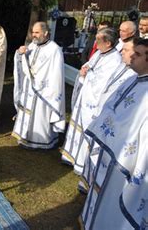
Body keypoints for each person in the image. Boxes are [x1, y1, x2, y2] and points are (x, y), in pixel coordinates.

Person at [79, 38, 148, 230]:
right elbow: (110, 106)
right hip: (110, 149)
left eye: (138, 54)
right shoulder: (132, 79)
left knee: (112, 204)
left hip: (124, 161)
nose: (132, 56)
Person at [79, 37, 138, 193]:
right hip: (105, 118)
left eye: (125, 50)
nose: (121, 52)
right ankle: (89, 182)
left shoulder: (133, 75)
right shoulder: (122, 67)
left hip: (116, 128)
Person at [61, 27, 123, 174]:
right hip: (85, 97)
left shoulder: (114, 60)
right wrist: (85, 72)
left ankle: (82, 163)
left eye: (98, 39)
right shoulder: (100, 54)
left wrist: (86, 75)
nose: (95, 42)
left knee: (87, 132)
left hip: (93, 104)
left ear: (107, 43)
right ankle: (72, 156)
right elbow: (89, 66)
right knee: (78, 129)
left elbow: (102, 85)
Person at [12, 22, 65, 150]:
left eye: (37, 32)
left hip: (44, 89)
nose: (33, 35)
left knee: (40, 116)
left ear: (45, 33)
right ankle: (25, 136)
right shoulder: (32, 45)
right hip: (30, 87)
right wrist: (20, 53)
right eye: (33, 32)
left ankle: (40, 140)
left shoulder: (55, 50)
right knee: (27, 112)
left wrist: (50, 89)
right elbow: (25, 64)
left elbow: (57, 73)